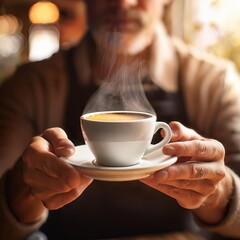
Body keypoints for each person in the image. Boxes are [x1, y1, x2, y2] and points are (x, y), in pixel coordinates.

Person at [1, 0, 240, 239]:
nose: (123, 3)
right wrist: (21, 189)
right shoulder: (30, 86)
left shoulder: (214, 83)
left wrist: (220, 192)